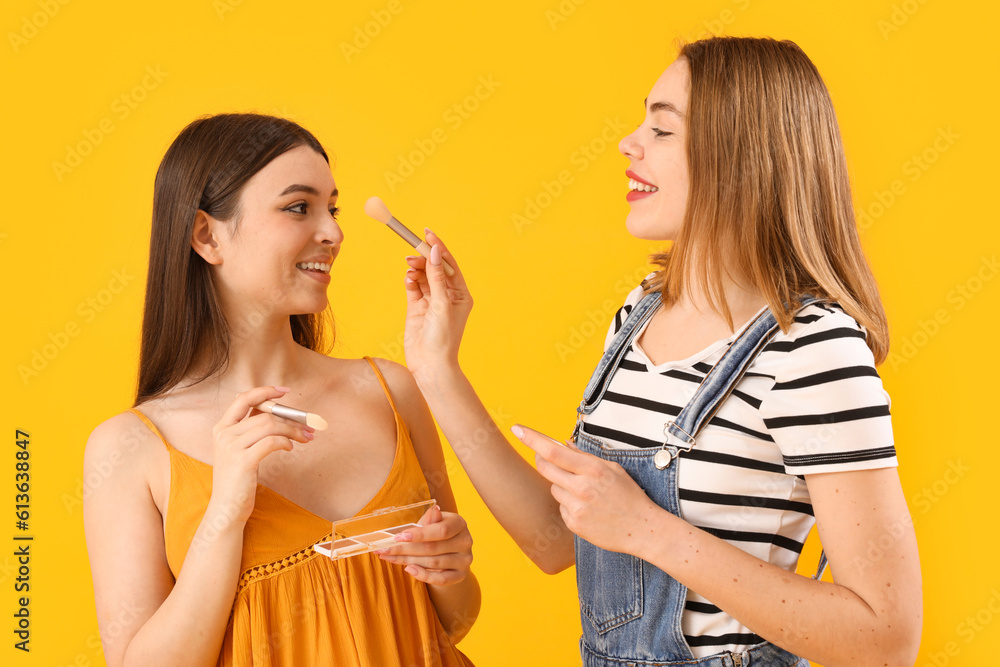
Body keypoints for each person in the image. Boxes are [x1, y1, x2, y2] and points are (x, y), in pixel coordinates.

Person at [400, 36, 921, 666]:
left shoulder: (812, 350)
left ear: (741, 157)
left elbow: (886, 642)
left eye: (662, 128)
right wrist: (437, 367)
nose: (629, 143)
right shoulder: (637, 316)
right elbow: (555, 544)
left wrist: (648, 530)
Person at [83, 113, 480, 667]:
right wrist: (224, 511)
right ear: (207, 235)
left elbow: (452, 624)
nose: (334, 232)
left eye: (332, 209)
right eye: (299, 207)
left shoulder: (391, 390)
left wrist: (451, 570)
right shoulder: (130, 447)